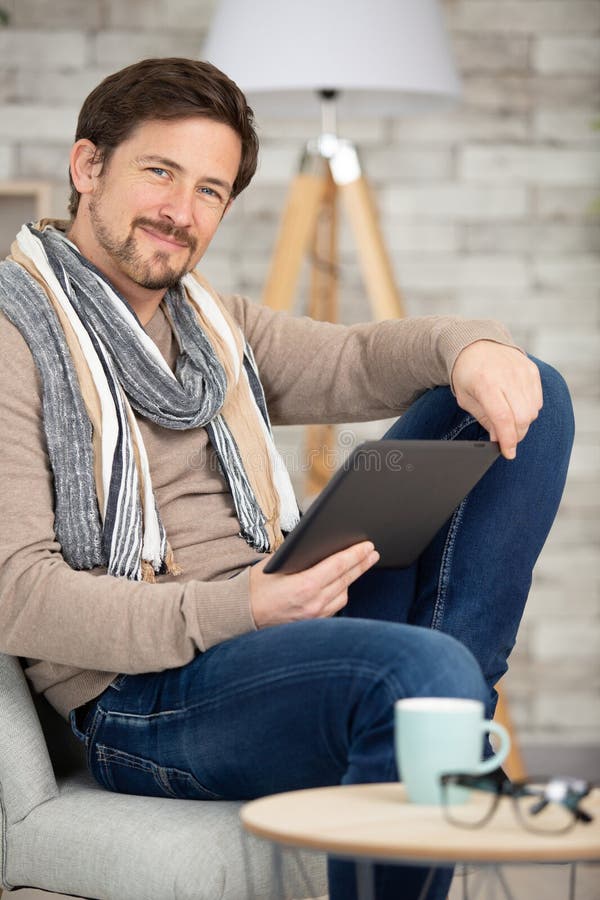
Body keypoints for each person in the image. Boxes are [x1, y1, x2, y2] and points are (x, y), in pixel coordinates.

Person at [0, 58, 574, 900]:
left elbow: (358, 357)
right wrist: (247, 605)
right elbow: (19, 595)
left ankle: (438, 715)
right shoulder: (16, 337)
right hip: (147, 699)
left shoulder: (213, 326)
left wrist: (474, 345)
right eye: (159, 172)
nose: (179, 212)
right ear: (88, 167)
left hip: (287, 622)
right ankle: (442, 728)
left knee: (532, 391)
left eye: (209, 191)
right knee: (428, 687)